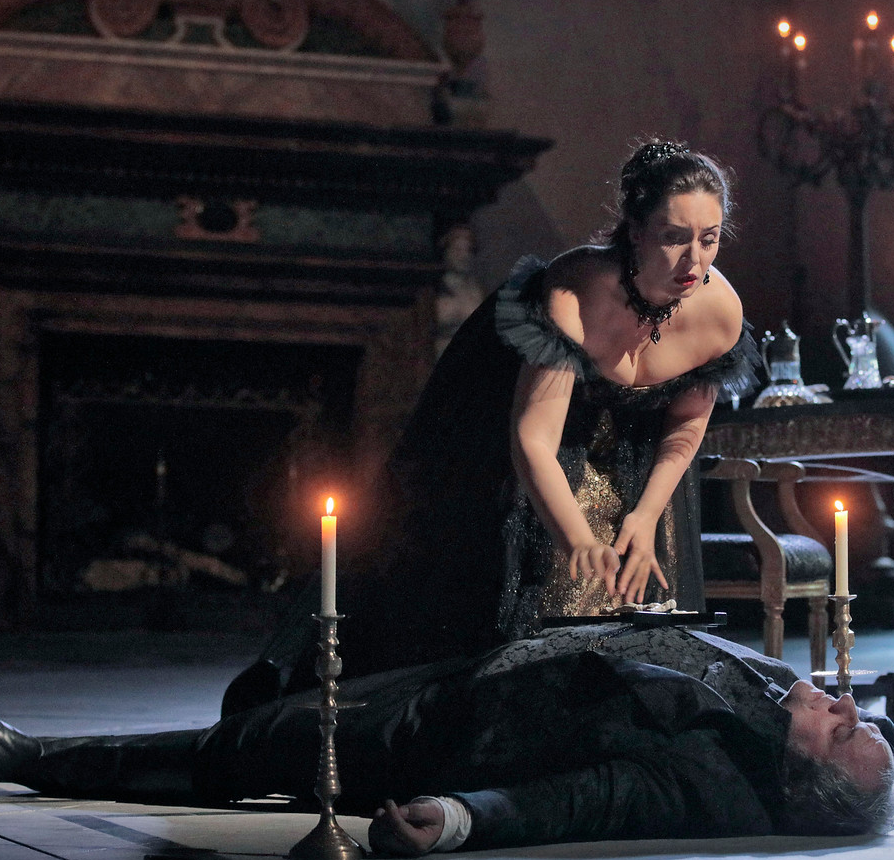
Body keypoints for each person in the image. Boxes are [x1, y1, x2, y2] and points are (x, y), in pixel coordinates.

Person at [237, 139, 758, 703]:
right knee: (478, 581)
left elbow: (685, 427)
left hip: (629, 442)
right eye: (674, 237)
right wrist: (577, 539)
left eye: (709, 239)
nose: (694, 261)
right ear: (634, 231)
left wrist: (647, 514)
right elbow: (532, 437)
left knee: (634, 595)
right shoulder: (574, 294)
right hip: (505, 415)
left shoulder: (719, 313)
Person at [0, 625, 894, 854]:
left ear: (797, 775)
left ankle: (41, 759)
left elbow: (585, 803)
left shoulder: (707, 774)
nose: (844, 705)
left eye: (838, 730)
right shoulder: (807, 736)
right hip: (495, 653)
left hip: (434, 733)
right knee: (287, 677)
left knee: (238, 752)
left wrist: (460, 819)